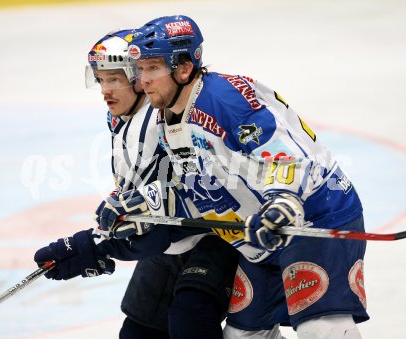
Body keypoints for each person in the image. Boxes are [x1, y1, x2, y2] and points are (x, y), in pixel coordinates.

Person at [126, 15, 369, 338]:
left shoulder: (225, 99)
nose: (143, 80)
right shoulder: (167, 119)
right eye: (141, 69)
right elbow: (199, 190)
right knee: (242, 336)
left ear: (184, 68)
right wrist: (146, 208)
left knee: (321, 328)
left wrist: (282, 202)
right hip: (260, 235)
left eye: (153, 68)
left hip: (314, 216)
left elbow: (287, 155)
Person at [34, 29, 239, 339]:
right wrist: (99, 241)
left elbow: (175, 208)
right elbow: (137, 200)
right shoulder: (122, 120)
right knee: (138, 330)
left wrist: (95, 245)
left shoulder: (164, 119)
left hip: (215, 232)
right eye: (101, 80)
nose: (105, 90)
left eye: (114, 79)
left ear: (136, 78)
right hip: (171, 236)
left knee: (190, 318)